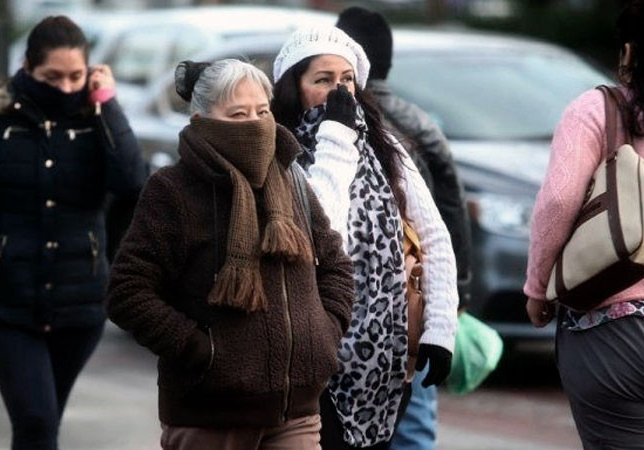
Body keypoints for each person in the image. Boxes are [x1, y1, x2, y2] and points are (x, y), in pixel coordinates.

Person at [106, 59, 355, 450]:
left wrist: (325, 331)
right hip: (211, 416)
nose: (255, 124)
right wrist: (201, 351)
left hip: (296, 412)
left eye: (262, 111)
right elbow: (127, 292)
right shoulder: (172, 191)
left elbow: (336, 263)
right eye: (238, 114)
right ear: (203, 118)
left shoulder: (291, 180)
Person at [0, 16, 146, 450]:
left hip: (78, 306)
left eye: (75, 76)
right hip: (5, 304)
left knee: (40, 427)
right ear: (28, 67)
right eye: (52, 77)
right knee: (37, 420)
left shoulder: (95, 118)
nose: (65, 88)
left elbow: (131, 181)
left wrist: (108, 103)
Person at [271, 26, 458, 450]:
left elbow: (434, 236)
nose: (338, 91)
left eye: (346, 80)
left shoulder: (384, 143)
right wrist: (337, 136)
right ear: (293, 88)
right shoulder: (280, 150)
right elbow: (320, 238)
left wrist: (440, 331)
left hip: (384, 360)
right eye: (322, 80)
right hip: (314, 356)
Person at [335, 8, 472, 450]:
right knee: (413, 421)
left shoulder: (349, 121)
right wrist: (455, 297)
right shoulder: (418, 121)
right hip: (416, 295)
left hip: (370, 308)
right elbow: (451, 206)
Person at [524, 2, 644, 448]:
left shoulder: (596, 110)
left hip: (612, 329)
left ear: (629, 53)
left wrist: (539, 288)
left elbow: (557, 202)